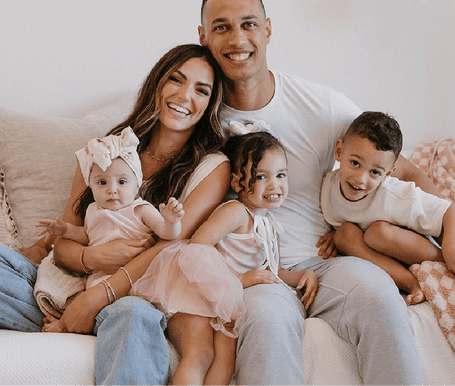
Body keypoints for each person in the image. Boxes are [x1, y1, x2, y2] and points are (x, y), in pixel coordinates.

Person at [197, 0, 455, 386]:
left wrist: (447, 246)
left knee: (378, 297)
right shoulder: (195, 115)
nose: (237, 38)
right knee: (268, 322)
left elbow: (402, 170)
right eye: (222, 27)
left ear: (268, 29)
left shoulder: (322, 107)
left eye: (249, 23)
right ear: (203, 36)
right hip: (256, 273)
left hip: (324, 263)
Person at [0, 44, 231, 386]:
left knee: (133, 315)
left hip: (130, 299)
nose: (184, 95)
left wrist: (96, 298)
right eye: (176, 80)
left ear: (209, 105)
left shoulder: (211, 167)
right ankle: (64, 318)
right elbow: (63, 248)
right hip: (62, 288)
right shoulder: (102, 152)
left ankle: (87, 322)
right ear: (157, 84)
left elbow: (170, 246)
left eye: (201, 90)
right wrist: (92, 257)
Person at [132, 129, 318, 386]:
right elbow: (197, 246)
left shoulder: (270, 225)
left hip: (226, 303)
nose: (274, 185)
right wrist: (240, 278)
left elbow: (273, 272)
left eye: (281, 175)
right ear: (236, 183)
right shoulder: (235, 212)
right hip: (195, 291)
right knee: (200, 354)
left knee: (225, 360)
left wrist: (303, 275)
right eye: (261, 176)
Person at [321, 111, 455, 306]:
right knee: (343, 235)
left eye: (374, 172)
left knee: (378, 233)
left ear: (388, 174)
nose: (360, 179)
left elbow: (451, 211)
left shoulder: (394, 194)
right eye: (355, 163)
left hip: (406, 236)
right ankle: (410, 283)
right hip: (380, 245)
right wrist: (335, 231)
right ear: (339, 151)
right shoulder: (327, 188)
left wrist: (452, 247)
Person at [36, 126, 185, 298]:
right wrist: (66, 230)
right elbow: (87, 237)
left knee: (127, 306)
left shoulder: (140, 209)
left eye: (122, 182)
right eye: (102, 183)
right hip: (97, 280)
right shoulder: (93, 210)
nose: (112, 190)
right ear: (90, 186)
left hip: (134, 281)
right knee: (65, 287)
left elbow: (167, 234)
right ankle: (68, 314)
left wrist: (171, 222)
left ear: (137, 183)